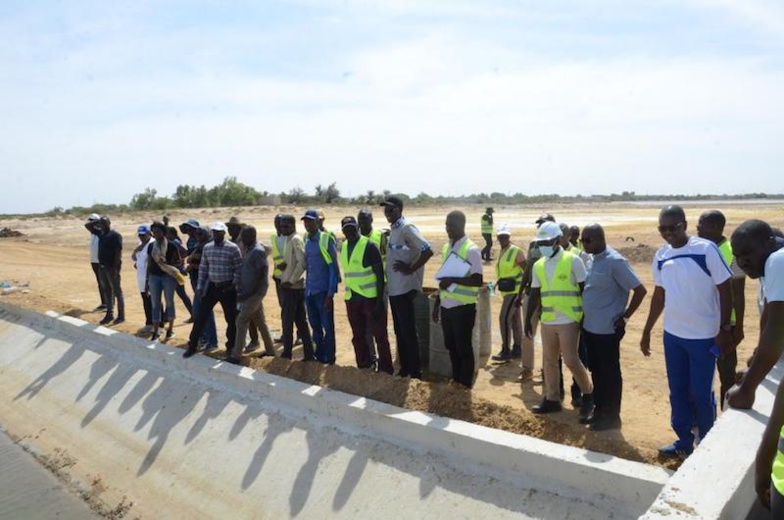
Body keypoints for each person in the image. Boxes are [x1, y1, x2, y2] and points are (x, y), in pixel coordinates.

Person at [640, 205, 733, 459]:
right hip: (673, 336)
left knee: (701, 392)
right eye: (663, 228)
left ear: (685, 225)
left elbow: (726, 289)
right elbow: (659, 295)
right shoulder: (661, 256)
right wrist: (647, 330)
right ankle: (683, 440)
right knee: (678, 390)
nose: (668, 232)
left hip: (704, 337)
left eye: (674, 227)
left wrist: (725, 328)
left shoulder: (705, 250)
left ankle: (707, 442)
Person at [724, 220, 784, 514]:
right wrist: (756, 361)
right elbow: (770, 317)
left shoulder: (778, 261)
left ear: (769, 243)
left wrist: (747, 389)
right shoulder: (771, 265)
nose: (742, 261)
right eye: (737, 256)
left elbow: (776, 330)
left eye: (747, 253)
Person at [580, 224, 647, 431]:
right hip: (590, 328)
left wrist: (624, 317)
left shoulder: (615, 262)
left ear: (600, 239)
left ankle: (611, 417)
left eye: (587, 240)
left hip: (607, 330)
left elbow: (640, 290)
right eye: (582, 240)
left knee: (609, 374)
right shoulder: (592, 259)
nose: (583, 244)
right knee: (596, 371)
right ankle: (599, 411)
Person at [525, 221, 593, 417]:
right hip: (548, 319)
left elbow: (585, 291)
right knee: (549, 361)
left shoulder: (573, 261)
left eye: (546, 242)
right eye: (540, 243)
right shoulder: (539, 265)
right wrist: (528, 319)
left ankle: (589, 395)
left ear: (556, 240)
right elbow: (534, 293)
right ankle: (552, 399)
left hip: (569, 319)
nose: (543, 246)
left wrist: (585, 317)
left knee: (571, 360)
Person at [380, 195, 434, 379]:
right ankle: (405, 368)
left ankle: (416, 372)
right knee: (399, 331)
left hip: (405, 288)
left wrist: (411, 268)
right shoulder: (394, 230)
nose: (387, 213)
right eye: (385, 210)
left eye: (391, 209)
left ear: (400, 209)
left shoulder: (407, 228)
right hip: (395, 289)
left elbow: (427, 250)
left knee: (408, 331)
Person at [696, 210, 746, 405]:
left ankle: (727, 412)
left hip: (726, 326)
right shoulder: (699, 249)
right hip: (703, 322)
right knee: (701, 372)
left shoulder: (733, 253)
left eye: (701, 223)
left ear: (715, 227)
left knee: (726, 373)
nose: (697, 227)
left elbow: (739, 292)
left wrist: (738, 327)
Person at [432, 211, 484, 388]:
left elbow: (477, 280)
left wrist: (452, 280)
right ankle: (456, 380)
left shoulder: (471, 250)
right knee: (451, 346)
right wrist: (437, 305)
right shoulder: (446, 247)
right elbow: (443, 278)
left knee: (463, 348)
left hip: (463, 307)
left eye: (451, 226)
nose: (448, 229)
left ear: (462, 225)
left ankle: (465, 384)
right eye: (446, 225)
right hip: (446, 306)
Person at [339, 216, 393, 373]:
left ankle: (386, 369)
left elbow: (379, 276)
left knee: (380, 335)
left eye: (352, 228)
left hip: (370, 298)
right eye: (346, 229)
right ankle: (364, 366)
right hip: (352, 298)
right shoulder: (344, 246)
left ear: (358, 228)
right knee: (358, 335)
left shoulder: (369, 246)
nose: (349, 232)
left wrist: (379, 301)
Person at [183, 222, 242, 359]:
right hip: (212, 287)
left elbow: (238, 269)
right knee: (200, 317)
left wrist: (233, 284)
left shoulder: (233, 248)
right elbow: (203, 268)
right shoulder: (208, 248)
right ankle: (192, 346)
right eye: (214, 232)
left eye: (219, 232)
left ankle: (230, 347)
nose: (216, 234)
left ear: (224, 233)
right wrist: (200, 287)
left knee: (231, 319)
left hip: (227, 288)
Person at [515, 213, 556, 381]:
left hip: (548, 296)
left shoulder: (558, 246)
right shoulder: (533, 243)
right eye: (538, 224)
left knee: (549, 335)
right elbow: (528, 268)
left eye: (543, 224)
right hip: (531, 294)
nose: (539, 227)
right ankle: (527, 368)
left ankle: (547, 371)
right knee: (528, 332)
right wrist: (520, 292)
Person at [226, 226, 275, 364]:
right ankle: (270, 350)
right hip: (250, 292)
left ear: (253, 236)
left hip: (255, 293)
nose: (242, 240)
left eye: (245, 237)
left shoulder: (257, 251)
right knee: (261, 322)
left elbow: (262, 273)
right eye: (242, 237)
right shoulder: (249, 249)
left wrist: (249, 293)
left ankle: (236, 355)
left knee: (241, 321)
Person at [559, 221, 592, 405]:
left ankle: (578, 390)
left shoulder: (579, 255)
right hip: (556, 316)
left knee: (578, 355)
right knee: (556, 356)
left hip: (577, 314)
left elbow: (586, 287)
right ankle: (557, 391)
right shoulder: (550, 257)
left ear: (567, 236)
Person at [302, 209, 339, 364]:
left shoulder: (326, 239)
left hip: (323, 292)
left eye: (310, 221)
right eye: (305, 221)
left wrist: (330, 294)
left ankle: (330, 359)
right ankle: (320, 356)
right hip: (310, 291)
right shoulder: (306, 239)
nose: (307, 224)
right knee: (315, 326)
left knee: (327, 327)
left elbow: (333, 268)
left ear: (317, 222)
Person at [278, 215, 314, 360]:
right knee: (301, 322)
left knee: (288, 322)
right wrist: (284, 265)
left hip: (293, 289)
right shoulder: (289, 239)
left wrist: (291, 281)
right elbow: (294, 261)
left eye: (286, 226)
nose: (283, 229)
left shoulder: (295, 240)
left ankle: (287, 353)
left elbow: (302, 263)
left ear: (293, 226)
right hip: (292, 287)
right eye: (281, 226)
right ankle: (309, 354)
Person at [491, 224, 527, 363]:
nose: (503, 239)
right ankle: (517, 348)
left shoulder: (516, 251)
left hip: (514, 291)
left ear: (509, 237)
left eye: (505, 236)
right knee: (515, 319)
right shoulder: (502, 251)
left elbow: (526, 271)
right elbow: (505, 272)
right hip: (506, 291)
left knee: (504, 318)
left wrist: (521, 292)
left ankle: (506, 350)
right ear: (497, 237)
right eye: (501, 237)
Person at [146, 221, 185, 341]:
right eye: (154, 232)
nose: (155, 234)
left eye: (158, 232)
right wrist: (147, 280)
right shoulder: (151, 246)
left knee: (169, 303)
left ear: (163, 232)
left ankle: (170, 329)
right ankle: (156, 331)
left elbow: (178, 263)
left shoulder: (172, 246)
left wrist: (167, 264)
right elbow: (149, 263)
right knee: (155, 304)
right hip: (154, 276)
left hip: (168, 277)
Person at [183, 224, 218, 351]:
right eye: (197, 234)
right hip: (197, 280)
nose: (197, 236)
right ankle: (203, 338)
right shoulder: (199, 246)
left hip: (206, 282)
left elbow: (209, 266)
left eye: (200, 234)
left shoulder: (209, 247)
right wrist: (193, 260)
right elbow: (189, 259)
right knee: (198, 312)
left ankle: (211, 341)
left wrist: (193, 265)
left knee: (204, 312)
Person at [92, 216, 125, 325]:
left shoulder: (115, 235)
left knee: (117, 291)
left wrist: (114, 269)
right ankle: (109, 314)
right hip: (102, 267)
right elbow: (87, 226)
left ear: (109, 223)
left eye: (105, 223)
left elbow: (118, 253)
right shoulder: (101, 234)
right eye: (101, 223)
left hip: (111, 267)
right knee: (107, 290)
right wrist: (98, 221)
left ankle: (121, 316)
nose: (103, 225)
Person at [165, 226, 193, 322]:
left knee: (180, 294)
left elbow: (184, 252)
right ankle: (166, 316)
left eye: (167, 233)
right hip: (173, 270)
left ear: (171, 234)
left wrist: (179, 262)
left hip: (175, 271)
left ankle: (193, 314)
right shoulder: (173, 241)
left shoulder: (174, 242)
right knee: (172, 293)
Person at [131, 224, 153, 333]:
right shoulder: (140, 244)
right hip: (141, 277)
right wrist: (136, 250)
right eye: (139, 235)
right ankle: (149, 322)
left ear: (149, 234)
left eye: (143, 235)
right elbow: (133, 258)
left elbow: (151, 263)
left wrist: (148, 280)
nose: (141, 237)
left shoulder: (152, 244)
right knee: (145, 300)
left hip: (150, 277)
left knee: (153, 301)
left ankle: (157, 323)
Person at [84, 213, 107, 311]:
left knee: (105, 282)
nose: (90, 223)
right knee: (100, 282)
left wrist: (98, 221)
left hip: (101, 261)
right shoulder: (93, 231)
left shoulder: (102, 231)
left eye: (92, 221)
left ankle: (108, 304)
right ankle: (104, 303)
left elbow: (87, 225)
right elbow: (87, 225)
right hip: (94, 260)